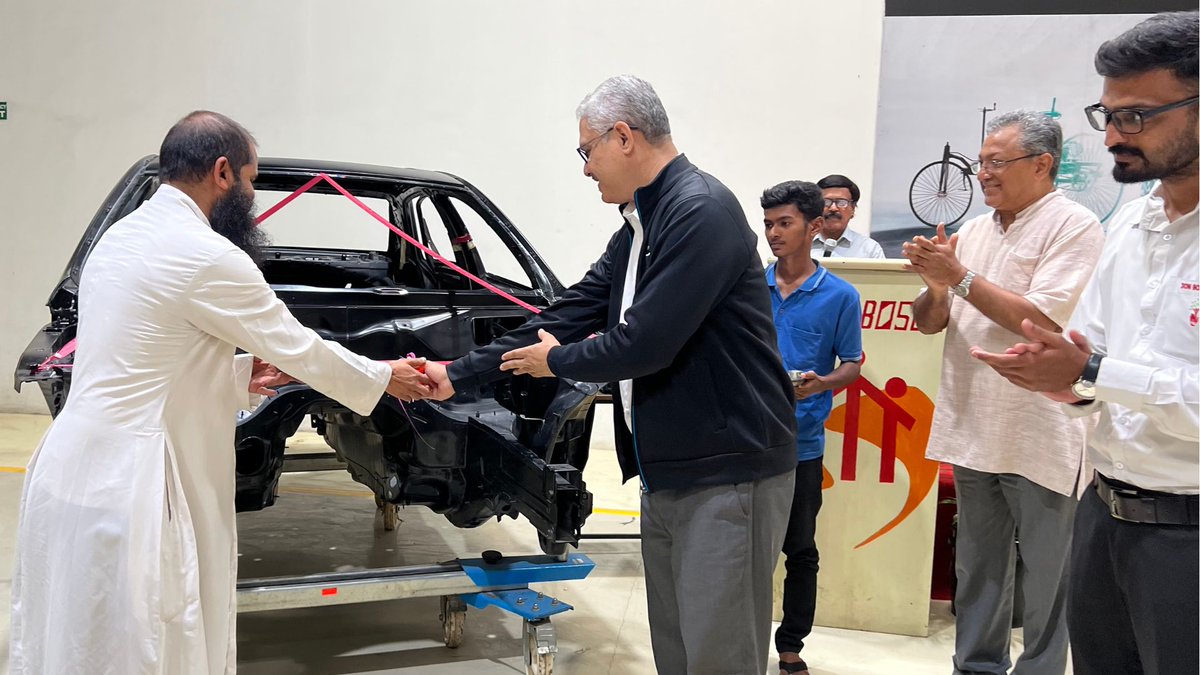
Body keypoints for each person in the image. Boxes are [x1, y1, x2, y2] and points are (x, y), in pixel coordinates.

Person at [9, 111, 432, 674]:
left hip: (71, 472)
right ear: (223, 172)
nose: (252, 198)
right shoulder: (207, 255)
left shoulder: (120, 238)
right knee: (150, 647)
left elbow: (136, 360)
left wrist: (236, 376)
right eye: (252, 181)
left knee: (77, 642)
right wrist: (384, 376)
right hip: (137, 488)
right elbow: (299, 347)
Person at [423, 75, 797, 675]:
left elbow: (646, 344)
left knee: (719, 653)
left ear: (623, 137)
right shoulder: (641, 224)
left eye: (587, 150)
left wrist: (556, 362)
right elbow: (570, 311)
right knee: (678, 648)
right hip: (672, 468)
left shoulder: (699, 212)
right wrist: (455, 374)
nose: (586, 168)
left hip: (728, 472)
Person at [971, 12, 1199, 675]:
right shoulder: (1131, 225)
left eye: (1136, 117)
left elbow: (1104, 366)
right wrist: (1062, 379)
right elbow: (1089, 353)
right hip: (1105, 514)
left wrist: (1094, 371)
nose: (1113, 137)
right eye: (1107, 115)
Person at [903, 110, 1104, 674]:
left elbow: (1041, 319)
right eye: (980, 162)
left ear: (1042, 164)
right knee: (978, 568)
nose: (983, 174)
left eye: (996, 162)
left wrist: (960, 277)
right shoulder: (974, 230)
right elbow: (930, 322)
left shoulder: (1074, 225)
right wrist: (937, 287)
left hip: (1042, 428)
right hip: (975, 422)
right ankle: (976, 666)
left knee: (1048, 576)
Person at [761, 180, 863, 675]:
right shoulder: (747, 288)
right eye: (768, 224)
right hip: (748, 442)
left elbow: (853, 364)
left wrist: (823, 383)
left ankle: (791, 646)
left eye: (785, 223)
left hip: (801, 445)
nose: (773, 234)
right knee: (746, 553)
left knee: (800, 549)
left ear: (815, 226)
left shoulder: (840, 296)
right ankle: (742, 638)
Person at [812, 174, 885, 259]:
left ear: (853, 209)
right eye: (826, 202)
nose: (833, 208)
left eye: (841, 202)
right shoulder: (801, 244)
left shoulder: (870, 249)